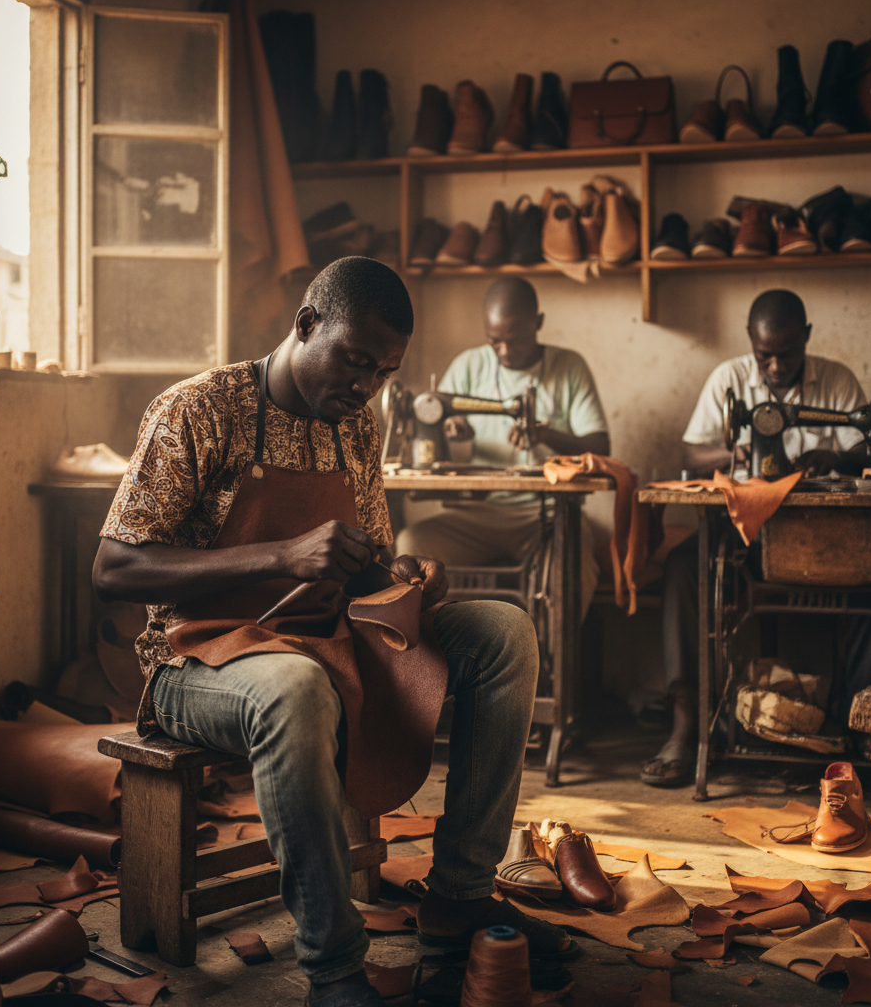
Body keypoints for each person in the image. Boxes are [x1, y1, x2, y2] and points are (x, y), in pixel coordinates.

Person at [92, 258, 571, 1007]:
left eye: (382, 371)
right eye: (354, 360)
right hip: (196, 660)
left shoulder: (358, 426)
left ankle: (459, 898)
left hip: (321, 635)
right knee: (295, 688)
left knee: (503, 631)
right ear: (307, 324)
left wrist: (405, 577)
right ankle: (335, 966)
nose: (364, 386)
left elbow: (362, 572)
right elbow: (113, 568)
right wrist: (281, 555)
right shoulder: (198, 410)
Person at [641, 288, 871, 788]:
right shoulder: (729, 378)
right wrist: (739, 452)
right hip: (742, 534)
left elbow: (869, 452)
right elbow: (692, 452)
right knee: (685, 567)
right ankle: (687, 727)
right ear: (751, 342)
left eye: (787, 354)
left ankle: (861, 728)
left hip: (822, 538)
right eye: (763, 355)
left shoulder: (836, 381)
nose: (773, 366)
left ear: (807, 338)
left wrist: (837, 459)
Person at [395, 277, 609, 619]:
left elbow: (601, 447)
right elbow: (438, 426)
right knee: (409, 549)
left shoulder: (569, 367)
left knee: (571, 567)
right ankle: (432, 660)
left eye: (516, 340)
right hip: (476, 514)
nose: (505, 352)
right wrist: (453, 433)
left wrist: (545, 435)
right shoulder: (469, 365)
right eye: (495, 342)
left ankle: (546, 668)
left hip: (548, 515)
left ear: (537, 324)